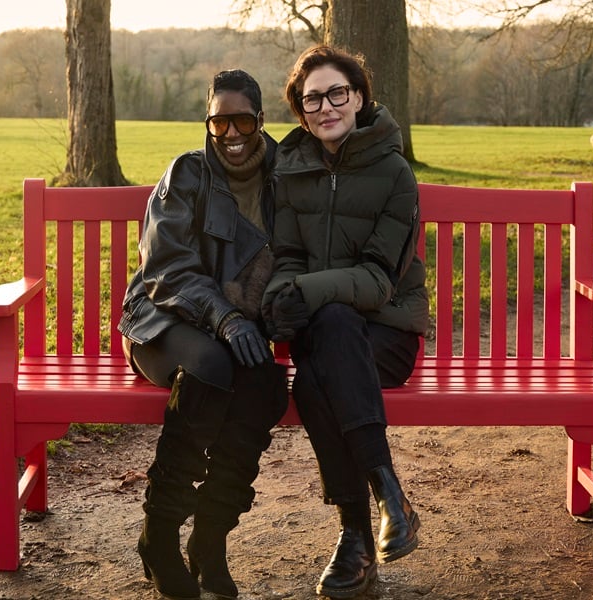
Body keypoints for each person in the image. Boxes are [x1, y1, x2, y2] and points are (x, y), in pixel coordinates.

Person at [262, 46, 430, 598]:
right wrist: (282, 295)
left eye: (337, 93)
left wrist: (304, 291)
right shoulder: (291, 170)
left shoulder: (395, 172)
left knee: (318, 373)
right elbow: (288, 255)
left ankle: (355, 532)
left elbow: (379, 280)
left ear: (358, 97)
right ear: (301, 110)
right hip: (324, 332)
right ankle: (388, 500)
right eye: (312, 99)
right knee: (327, 341)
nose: (326, 107)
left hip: (387, 333)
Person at [118, 69, 288, 600]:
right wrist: (225, 318)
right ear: (207, 123)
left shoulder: (285, 175)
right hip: (162, 319)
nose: (231, 133)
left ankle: (210, 540)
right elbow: (166, 269)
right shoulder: (187, 174)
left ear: (260, 119)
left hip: (230, 330)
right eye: (219, 122)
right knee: (212, 367)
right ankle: (159, 535)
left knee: (265, 383)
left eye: (242, 121)